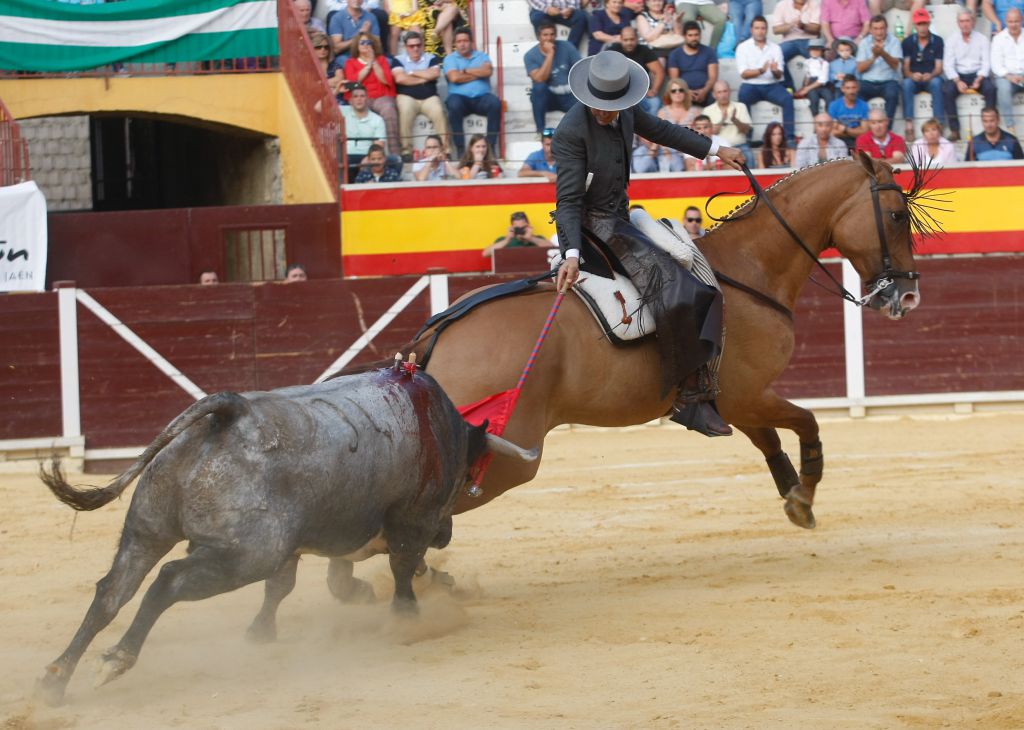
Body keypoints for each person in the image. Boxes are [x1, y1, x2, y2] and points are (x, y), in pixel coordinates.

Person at [552, 50, 746, 437]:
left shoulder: (625, 111)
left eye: (612, 106)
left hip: (622, 218)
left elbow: (664, 131)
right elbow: (568, 201)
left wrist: (717, 150)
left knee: (689, 270)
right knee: (676, 288)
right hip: (594, 226)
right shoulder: (570, 132)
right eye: (599, 106)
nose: (605, 112)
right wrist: (571, 253)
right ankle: (690, 398)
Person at [443, 27, 502, 156]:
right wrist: (477, 74)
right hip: (460, 99)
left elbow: (487, 71)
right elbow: (454, 78)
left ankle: (491, 147)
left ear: (471, 42)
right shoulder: (450, 59)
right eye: (459, 41)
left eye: (465, 41)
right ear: (455, 43)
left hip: (481, 98)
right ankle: (460, 149)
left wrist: (465, 71)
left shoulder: (482, 56)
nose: (462, 44)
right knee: (453, 104)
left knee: (495, 103)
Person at [736, 16, 796, 143]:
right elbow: (744, 74)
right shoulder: (743, 47)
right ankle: (747, 138)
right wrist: (761, 71)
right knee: (743, 97)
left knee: (787, 98)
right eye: (757, 28)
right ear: (751, 30)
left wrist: (775, 71)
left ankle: (789, 138)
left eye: (763, 28)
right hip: (750, 85)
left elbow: (779, 76)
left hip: (771, 85)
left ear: (767, 30)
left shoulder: (775, 48)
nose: (760, 31)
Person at [392, 31, 449, 161]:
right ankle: (406, 151)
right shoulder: (398, 60)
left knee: (439, 111)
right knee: (405, 111)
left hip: (429, 97)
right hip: (407, 97)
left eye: (418, 45)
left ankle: (446, 150)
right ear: (406, 47)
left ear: (422, 45)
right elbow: (400, 79)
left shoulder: (431, 58)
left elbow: (434, 74)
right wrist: (424, 78)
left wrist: (411, 72)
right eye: (411, 46)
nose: (415, 48)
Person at [942, 11, 997, 142]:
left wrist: (979, 78)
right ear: (958, 23)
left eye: (967, 21)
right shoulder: (951, 40)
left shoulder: (982, 39)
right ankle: (955, 130)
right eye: (962, 21)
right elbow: (948, 65)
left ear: (973, 22)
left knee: (991, 89)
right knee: (947, 90)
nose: (965, 24)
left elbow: (986, 63)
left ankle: (990, 128)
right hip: (959, 75)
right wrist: (957, 81)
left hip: (978, 74)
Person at [344, 32, 399, 156]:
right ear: (357, 46)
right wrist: (368, 66)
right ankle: (364, 153)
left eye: (368, 42)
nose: (365, 45)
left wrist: (373, 62)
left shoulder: (381, 60)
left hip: (381, 97)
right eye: (362, 42)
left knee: (389, 109)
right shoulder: (350, 62)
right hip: (362, 98)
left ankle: (395, 154)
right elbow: (353, 82)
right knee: (358, 107)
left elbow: (386, 80)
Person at [525, 21, 581, 135]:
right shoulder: (530, 55)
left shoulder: (567, 46)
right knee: (538, 88)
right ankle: (540, 132)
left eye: (552, 34)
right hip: (549, 98)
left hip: (569, 95)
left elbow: (580, 69)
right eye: (545, 35)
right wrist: (550, 54)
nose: (549, 38)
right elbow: (539, 79)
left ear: (555, 35)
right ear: (538, 37)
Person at [901, 8, 944, 141]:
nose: (922, 27)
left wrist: (930, 75)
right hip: (914, 78)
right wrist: (911, 75)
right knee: (906, 83)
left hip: (930, 77)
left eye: (924, 23)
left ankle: (938, 124)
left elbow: (939, 67)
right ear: (915, 25)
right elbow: (905, 68)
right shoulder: (907, 42)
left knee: (937, 82)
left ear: (929, 23)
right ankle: (909, 125)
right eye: (919, 24)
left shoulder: (937, 41)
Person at [855, 16, 902, 124]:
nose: (879, 32)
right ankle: (862, 128)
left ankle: (887, 129)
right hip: (868, 82)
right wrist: (874, 57)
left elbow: (896, 66)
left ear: (886, 28)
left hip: (888, 81)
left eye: (882, 28)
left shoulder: (894, 41)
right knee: (856, 93)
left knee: (892, 94)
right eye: (875, 29)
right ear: (870, 30)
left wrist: (883, 53)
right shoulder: (864, 42)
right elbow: (859, 69)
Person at [609, 27, 666, 115]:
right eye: (626, 40)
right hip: (619, 93)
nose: (629, 43)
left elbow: (659, 72)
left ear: (637, 38)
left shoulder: (644, 50)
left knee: (655, 102)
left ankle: (649, 124)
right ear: (620, 39)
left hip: (641, 93)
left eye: (632, 39)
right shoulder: (613, 50)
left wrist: (654, 90)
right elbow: (603, 70)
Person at [771, 0, 822, 91]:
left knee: (819, 60)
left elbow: (816, 29)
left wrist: (803, 26)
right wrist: (790, 25)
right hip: (789, 40)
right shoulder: (782, 5)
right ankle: (788, 88)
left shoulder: (814, 4)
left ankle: (809, 89)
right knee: (775, 56)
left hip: (809, 40)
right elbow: (776, 30)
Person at [341, 84, 388, 181]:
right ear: (351, 100)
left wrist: (368, 158)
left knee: (395, 160)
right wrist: (336, 91)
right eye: (355, 96)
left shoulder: (377, 119)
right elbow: (318, 108)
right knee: (345, 161)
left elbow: (378, 145)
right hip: (348, 155)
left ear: (367, 99)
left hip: (368, 155)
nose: (359, 99)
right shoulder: (343, 111)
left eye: (362, 96)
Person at [666, 21, 719, 106]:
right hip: (683, 92)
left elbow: (713, 77)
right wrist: (687, 92)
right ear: (684, 36)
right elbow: (674, 80)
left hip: (706, 91)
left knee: (715, 95)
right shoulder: (675, 54)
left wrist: (704, 91)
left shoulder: (709, 52)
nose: (694, 38)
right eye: (690, 35)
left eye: (696, 35)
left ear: (700, 35)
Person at [703, 80, 755, 167]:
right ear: (714, 95)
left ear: (730, 92)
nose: (723, 95)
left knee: (748, 155)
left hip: (739, 146)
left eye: (725, 91)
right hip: (719, 149)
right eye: (719, 92)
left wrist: (735, 120)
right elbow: (709, 133)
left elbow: (746, 131)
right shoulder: (707, 110)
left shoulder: (740, 106)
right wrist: (722, 120)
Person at [991, 8, 1024, 135]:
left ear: (1021, 20)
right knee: (1003, 88)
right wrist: (1009, 77)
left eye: (1016, 21)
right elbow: (996, 65)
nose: (1013, 24)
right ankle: (1010, 127)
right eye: (1010, 21)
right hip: (1006, 77)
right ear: (1006, 21)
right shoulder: (998, 39)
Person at [484, 211, 554, 256]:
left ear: (528, 225)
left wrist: (531, 238)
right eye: (517, 228)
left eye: (522, 228)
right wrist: (507, 240)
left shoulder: (538, 239)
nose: (520, 231)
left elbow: (553, 249)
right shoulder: (504, 240)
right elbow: (486, 253)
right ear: (512, 227)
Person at [829, 73, 870, 148]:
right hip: (839, 142)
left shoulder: (864, 105)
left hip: (858, 141)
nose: (851, 91)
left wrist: (845, 129)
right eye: (848, 88)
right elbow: (833, 132)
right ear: (842, 89)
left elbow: (864, 132)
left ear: (858, 88)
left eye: (853, 87)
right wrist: (856, 130)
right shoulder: (834, 105)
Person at [794, 37, 833, 114]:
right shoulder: (807, 62)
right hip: (811, 83)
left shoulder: (824, 63)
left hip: (821, 85)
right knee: (814, 99)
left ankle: (828, 116)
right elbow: (807, 75)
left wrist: (807, 89)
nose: (814, 52)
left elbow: (822, 80)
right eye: (812, 50)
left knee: (829, 97)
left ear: (822, 51)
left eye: (817, 50)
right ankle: (815, 116)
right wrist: (805, 86)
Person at [310, 30, 347, 99]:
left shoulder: (335, 66)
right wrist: (331, 83)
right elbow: (309, 86)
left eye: (326, 47)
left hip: (336, 100)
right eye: (318, 47)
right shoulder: (309, 67)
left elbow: (340, 80)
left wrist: (319, 83)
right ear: (312, 49)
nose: (323, 49)